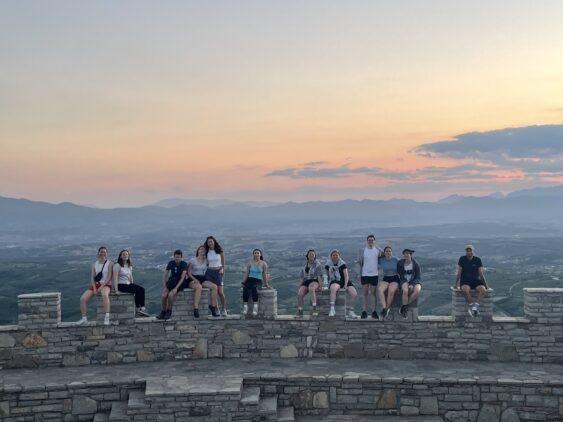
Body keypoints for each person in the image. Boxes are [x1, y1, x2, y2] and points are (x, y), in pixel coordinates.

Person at [77, 246, 113, 325]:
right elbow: (92, 277)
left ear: (106, 254)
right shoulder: (94, 264)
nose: (102, 253)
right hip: (96, 284)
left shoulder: (109, 263)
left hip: (106, 284)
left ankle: (107, 317)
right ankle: (84, 318)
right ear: (98, 253)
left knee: (104, 294)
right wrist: (94, 288)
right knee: (82, 299)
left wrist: (101, 287)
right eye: (101, 252)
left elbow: (109, 277)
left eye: (104, 252)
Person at [453, 244, 489, 317]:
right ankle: (472, 307)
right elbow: (459, 272)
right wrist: (455, 283)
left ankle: (474, 308)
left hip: (476, 281)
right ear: (465, 252)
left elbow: (481, 274)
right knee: (465, 290)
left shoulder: (478, 260)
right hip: (465, 281)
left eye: (470, 251)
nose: (469, 252)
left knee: (483, 289)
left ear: (473, 251)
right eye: (467, 251)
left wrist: (486, 285)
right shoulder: (462, 259)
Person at [112, 250, 149, 317]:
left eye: (126, 254)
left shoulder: (129, 266)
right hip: (121, 284)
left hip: (127, 284)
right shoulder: (117, 265)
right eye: (123, 254)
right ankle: (140, 308)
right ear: (120, 256)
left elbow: (130, 276)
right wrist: (116, 290)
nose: (125, 255)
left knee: (141, 289)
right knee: (138, 290)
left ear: (128, 256)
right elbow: (115, 278)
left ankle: (139, 307)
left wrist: (133, 284)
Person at [156, 249, 190, 320]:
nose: (177, 258)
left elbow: (182, 277)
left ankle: (169, 311)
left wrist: (176, 288)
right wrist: (165, 286)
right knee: (164, 295)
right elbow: (165, 275)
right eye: (176, 257)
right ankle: (163, 311)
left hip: (180, 283)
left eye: (178, 257)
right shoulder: (171, 263)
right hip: (172, 281)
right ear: (174, 257)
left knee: (171, 295)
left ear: (181, 257)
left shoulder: (184, 264)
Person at [324, 249, 358, 318]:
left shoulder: (342, 264)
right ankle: (332, 309)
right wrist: (326, 284)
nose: (335, 256)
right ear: (331, 256)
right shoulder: (328, 265)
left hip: (344, 280)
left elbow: (346, 275)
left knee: (354, 294)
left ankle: (350, 311)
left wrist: (345, 284)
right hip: (335, 280)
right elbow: (327, 275)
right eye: (333, 255)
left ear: (339, 256)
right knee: (333, 289)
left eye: (336, 255)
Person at [188, 245, 220, 317]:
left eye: (203, 250)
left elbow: (214, 265)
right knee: (199, 287)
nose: (202, 250)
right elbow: (188, 273)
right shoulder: (192, 260)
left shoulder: (206, 260)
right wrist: (194, 279)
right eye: (200, 249)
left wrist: (221, 268)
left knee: (214, 287)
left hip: (202, 278)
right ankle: (196, 308)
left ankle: (213, 306)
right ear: (198, 251)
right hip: (192, 278)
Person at [357, 234, 383, 319]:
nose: (370, 241)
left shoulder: (378, 250)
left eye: (372, 240)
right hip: (364, 274)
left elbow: (386, 255)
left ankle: (373, 311)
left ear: (375, 241)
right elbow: (359, 262)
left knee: (373, 294)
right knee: (364, 293)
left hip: (374, 275)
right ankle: (364, 311)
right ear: (367, 241)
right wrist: (358, 274)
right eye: (369, 240)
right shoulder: (362, 250)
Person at [241, 249, 270, 316]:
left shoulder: (263, 263)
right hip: (249, 279)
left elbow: (264, 274)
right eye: (255, 253)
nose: (256, 254)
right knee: (245, 288)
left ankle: (255, 306)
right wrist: (243, 282)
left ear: (260, 254)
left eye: (258, 253)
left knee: (254, 288)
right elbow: (247, 273)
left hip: (258, 280)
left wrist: (266, 284)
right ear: (253, 254)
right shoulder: (250, 263)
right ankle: (245, 306)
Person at [204, 236, 227, 316]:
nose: (210, 243)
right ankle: (216, 309)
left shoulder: (219, 251)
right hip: (209, 272)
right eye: (208, 242)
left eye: (211, 241)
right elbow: (205, 263)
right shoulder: (206, 252)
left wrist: (222, 269)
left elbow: (223, 263)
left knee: (220, 292)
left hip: (218, 272)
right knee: (214, 292)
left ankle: (224, 308)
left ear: (214, 242)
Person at [296, 249, 323, 317]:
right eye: (310, 254)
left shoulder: (318, 265)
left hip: (314, 280)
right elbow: (301, 278)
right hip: (306, 281)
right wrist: (299, 287)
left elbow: (319, 276)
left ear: (315, 256)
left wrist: (320, 286)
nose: (311, 255)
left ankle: (314, 309)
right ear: (307, 255)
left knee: (311, 288)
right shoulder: (304, 266)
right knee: (300, 293)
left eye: (313, 254)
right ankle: (300, 310)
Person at [397, 248, 422, 319]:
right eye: (405, 254)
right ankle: (404, 310)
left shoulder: (415, 264)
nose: (406, 255)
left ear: (411, 255)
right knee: (405, 291)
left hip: (414, 281)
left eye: (408, 254)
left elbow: (418, 277)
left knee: (417, 291)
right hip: (404, 280)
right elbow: (399, 273)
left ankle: (405, 306)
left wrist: (413, 284)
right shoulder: (400, 263)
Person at [377, 246, 400, 320]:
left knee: (391, 291)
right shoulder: (381, 260)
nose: (388, 252)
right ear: (384, 253)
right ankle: (384, 308)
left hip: (395, 278)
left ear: (392, 252)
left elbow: (403, 267)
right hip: (386, 278)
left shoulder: (396, 259)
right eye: (386, 251)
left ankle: (387, 308)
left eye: (390, 251)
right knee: (380, 290)